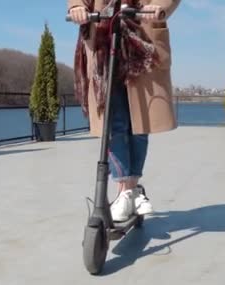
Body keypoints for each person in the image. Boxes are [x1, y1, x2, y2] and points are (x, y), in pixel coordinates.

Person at [67, 0, 180, 221]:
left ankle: (129, 191)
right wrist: (76, 7)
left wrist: (158, 5)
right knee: (114, 123)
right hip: (103, 42)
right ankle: (127, 192)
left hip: (142, 38)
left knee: (139, 124)